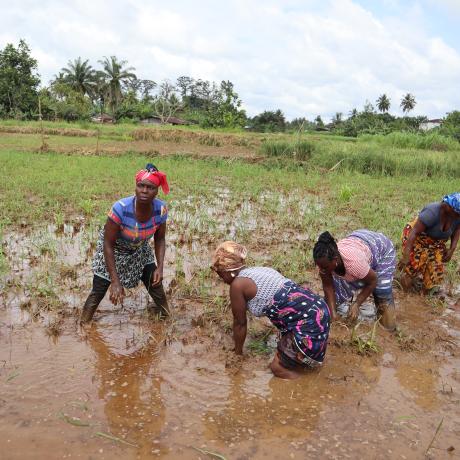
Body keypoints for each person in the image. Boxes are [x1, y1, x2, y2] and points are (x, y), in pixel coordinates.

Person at [211, 241, 330, 380]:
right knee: (291, 354)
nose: (222, 280)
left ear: (229, 271)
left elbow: (239, 323)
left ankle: (308, 387)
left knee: (277, 368)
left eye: (221, 274)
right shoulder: (257, 271)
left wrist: (237, 354)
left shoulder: (237, 285)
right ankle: (299, 360)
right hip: (319, 308)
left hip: (309, 320)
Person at [80, 163, 170, 323]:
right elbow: (107, 243)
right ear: (135, 187)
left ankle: (166, 318)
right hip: (113, 249)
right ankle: (83, 324)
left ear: (157, 190)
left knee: (155, 283)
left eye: (150, 187)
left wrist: (160, 267)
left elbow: (160, 238)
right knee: (98, 290)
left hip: (139, 249)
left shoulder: (161, 209)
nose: (144, 190)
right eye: (140, 186)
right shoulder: (120, 209)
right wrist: (115, 281)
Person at [313, 230, 396, 331]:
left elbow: (373, 280)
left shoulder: (354, 264)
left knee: (386, 313)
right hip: (358, 244)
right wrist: (334, 316)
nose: (321, 270)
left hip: (382, 249)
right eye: (319, 266)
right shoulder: (325, 263)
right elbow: (328, 287)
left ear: (335, 260)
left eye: (324, 267)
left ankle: (389, 327)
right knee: (333, 302)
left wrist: (357, 303)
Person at [400, 193, 460, 295]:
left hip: (436, 242)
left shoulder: (457, 216)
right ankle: (405, 293)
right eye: (458, 214)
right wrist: (406, 255)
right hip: (417, 238)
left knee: (436, 269)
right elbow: (414, 233)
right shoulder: (432, 212)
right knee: (412, 265)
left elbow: (457, 231)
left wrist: (451, 249)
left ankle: (427, 294)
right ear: (448, 208)